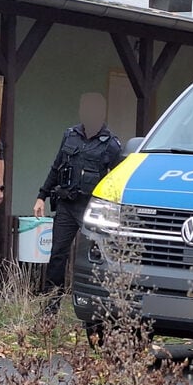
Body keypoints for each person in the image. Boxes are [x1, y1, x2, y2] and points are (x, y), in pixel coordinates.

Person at [33, 92, 122, 312]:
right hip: (66, 206)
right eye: (85, 109)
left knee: (96, 259)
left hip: (91, 210)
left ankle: (95, 309)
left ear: (101, 113)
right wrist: (41, 196)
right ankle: (50, 308)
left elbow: (118, 180)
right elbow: (56, 167)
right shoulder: (70, 135)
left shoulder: (111, 144)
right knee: (57, 256)